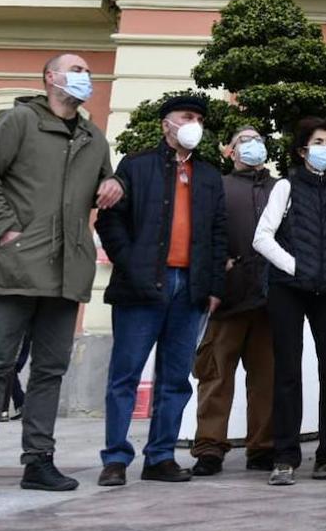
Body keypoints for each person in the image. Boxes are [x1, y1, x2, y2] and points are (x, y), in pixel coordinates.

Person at [0, 54, 121, 499]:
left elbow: (106, 188)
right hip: (16, 268)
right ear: (51, 78)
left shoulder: (92, 137)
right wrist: (6, 229)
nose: (85, 76)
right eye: (76, 69)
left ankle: (38, 461)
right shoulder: (19, 122)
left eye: (87, 70)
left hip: (67, 272)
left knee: (50, 371)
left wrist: (117, 183)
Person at [96, 94, 227, 486]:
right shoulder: (136, 167)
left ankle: (160, 456)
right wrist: (129, 260)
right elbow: (110, 220)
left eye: (199, 119)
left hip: (190, 289)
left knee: (175, 380)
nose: (195, 124)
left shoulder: (208, 175)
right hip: (141, 286)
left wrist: (214, 284)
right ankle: (116, 458)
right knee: (126, 375)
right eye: (187, 117)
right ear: (166, 124)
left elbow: (218, 233)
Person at [253, 117, 326, 485]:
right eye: (317, 141)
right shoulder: (285, 186)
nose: (325, 148)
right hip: (288, 289)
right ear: (302, 150)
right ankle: (285, 456)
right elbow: (262, 237)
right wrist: (296, 268)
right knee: (288, 372)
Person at [190, 127, 277, 476]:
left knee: (266, 379)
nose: (253, 145)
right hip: (225, 300)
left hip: (269, 301)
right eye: (244, 140)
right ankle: (209, 448)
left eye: (258, 139)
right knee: (215, 375)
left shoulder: (279, 189)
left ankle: (263, 447)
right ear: (229, 151)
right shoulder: (217, 187)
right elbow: (201, 234)